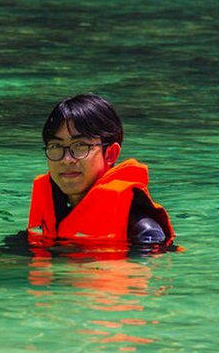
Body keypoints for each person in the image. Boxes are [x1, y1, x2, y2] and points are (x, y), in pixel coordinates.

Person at [27, 93, 175, 248]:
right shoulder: (55, 211)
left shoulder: (143, 231)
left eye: (80, 146)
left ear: (111, 154)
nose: (66, 159)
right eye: (56, 146)